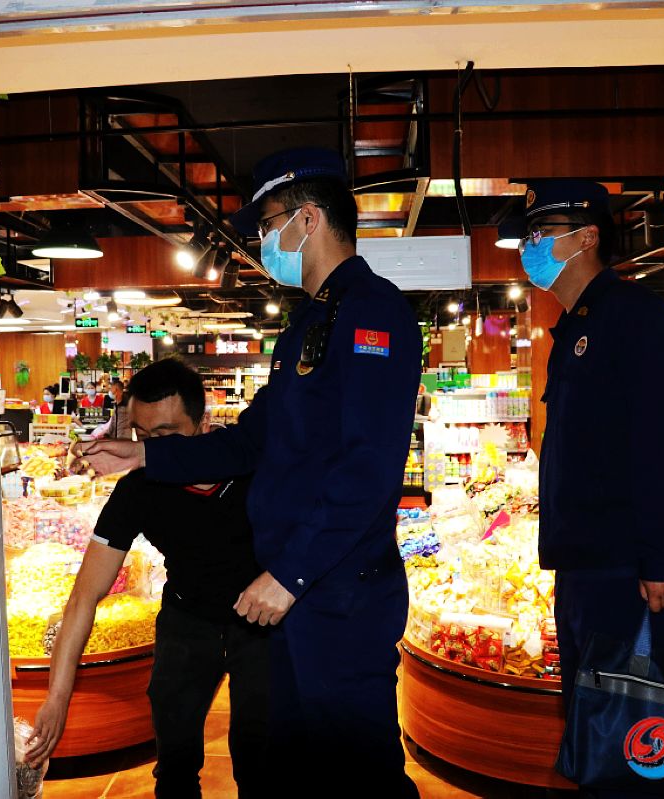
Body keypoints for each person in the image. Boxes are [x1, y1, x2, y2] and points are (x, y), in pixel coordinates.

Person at [76, 147, 421, 798]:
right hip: (292, 592)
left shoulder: (371, 313)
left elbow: (368, 468)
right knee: (288, 766)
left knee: (357, 770)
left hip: (336, 592)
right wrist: (147, 455)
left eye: (267, 224)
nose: (262, 241)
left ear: (308, 219)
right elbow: (249, 442)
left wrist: (290, 575)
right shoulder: (308, 324)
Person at [505, 180, 664, 798]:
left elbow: (660, 442)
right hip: (582, 562)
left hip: (624, 566)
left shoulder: (634, 316)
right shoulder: (574, 325)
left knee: (636, 727)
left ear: (587, 237)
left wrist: (663, 558)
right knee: (594, 719)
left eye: (542, 233)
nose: (529, 246)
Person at [27, 358, 269, 798]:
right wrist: (57, 698)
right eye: (142, 436)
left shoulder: (256, 469)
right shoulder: (138, 489)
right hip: (186, 619)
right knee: (174, 764)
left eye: (167, 436)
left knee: (261, 763)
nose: (154, 451)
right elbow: (84, 596)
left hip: (261, 624)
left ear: (203, 423)